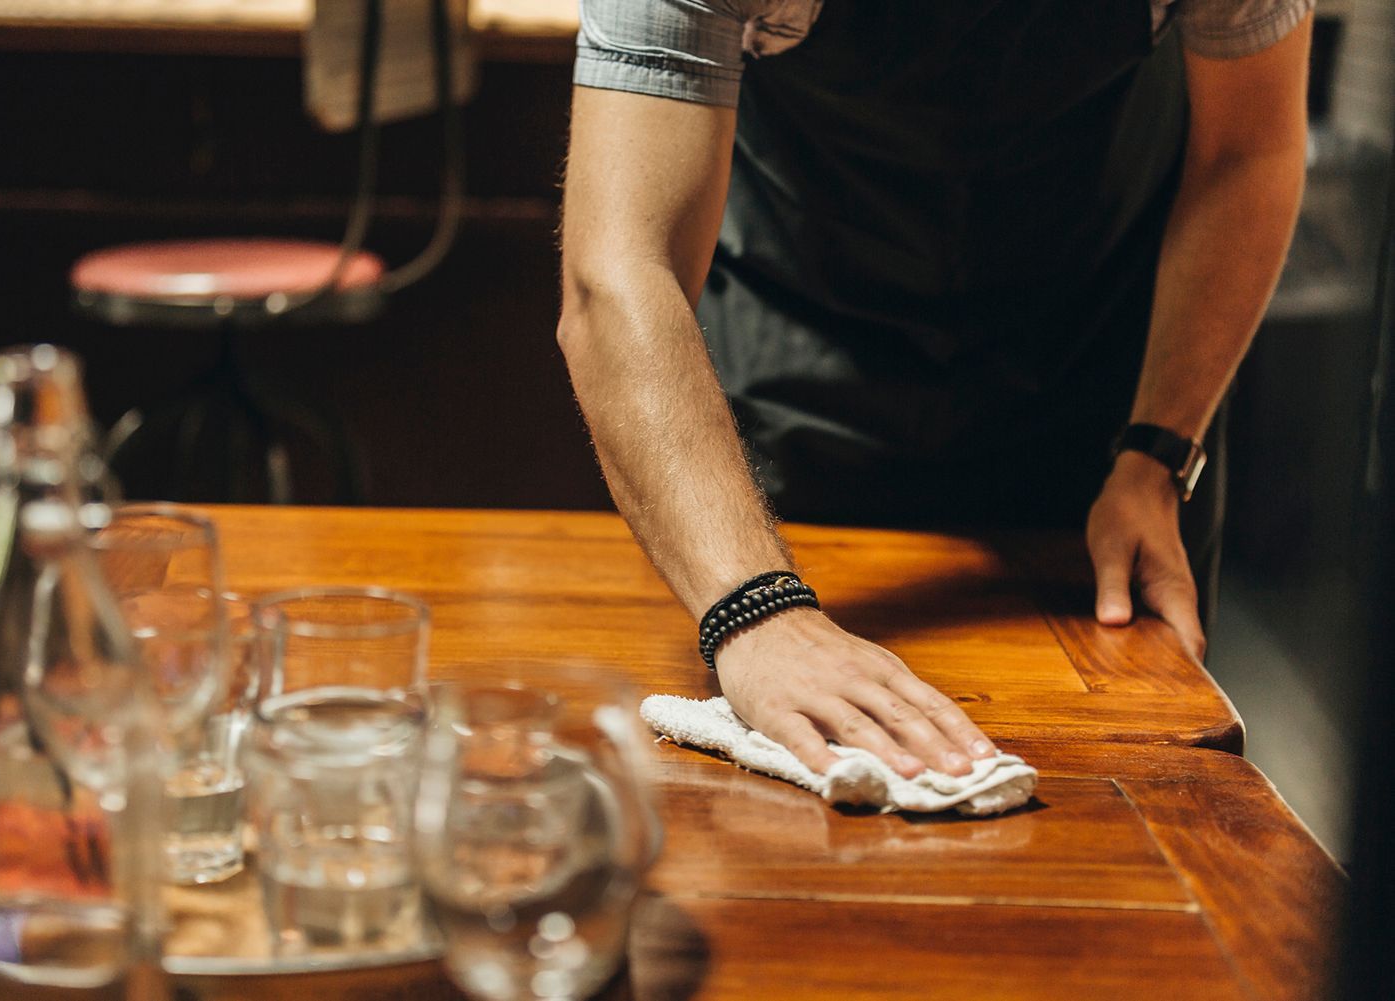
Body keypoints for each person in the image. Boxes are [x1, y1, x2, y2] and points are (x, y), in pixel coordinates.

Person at [555, 0, 1313, 777]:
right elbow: (619, 273)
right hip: (799, 384)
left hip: (1108, 399)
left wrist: (1157, 454)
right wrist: (755, 607)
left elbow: (1247, 151)